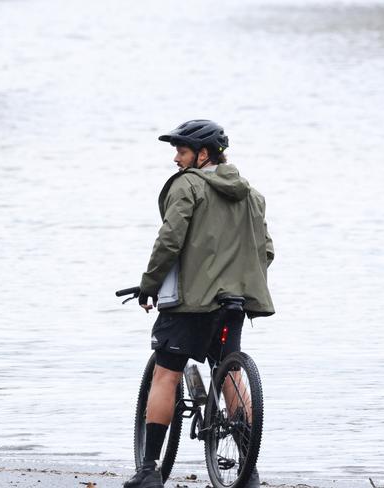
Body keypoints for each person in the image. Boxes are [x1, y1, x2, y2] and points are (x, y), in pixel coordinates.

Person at [124, 119, 275, 488]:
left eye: (182, 151)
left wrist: (149, 285)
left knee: (166, 372)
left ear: (203, 154)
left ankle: (148, 471)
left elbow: (169, 241)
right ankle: (247, 470)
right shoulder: (251, 196)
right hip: (234, 303)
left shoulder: (188, 186)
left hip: (190, 306)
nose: (176, 159)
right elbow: (266, 251)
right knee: (231, 376)